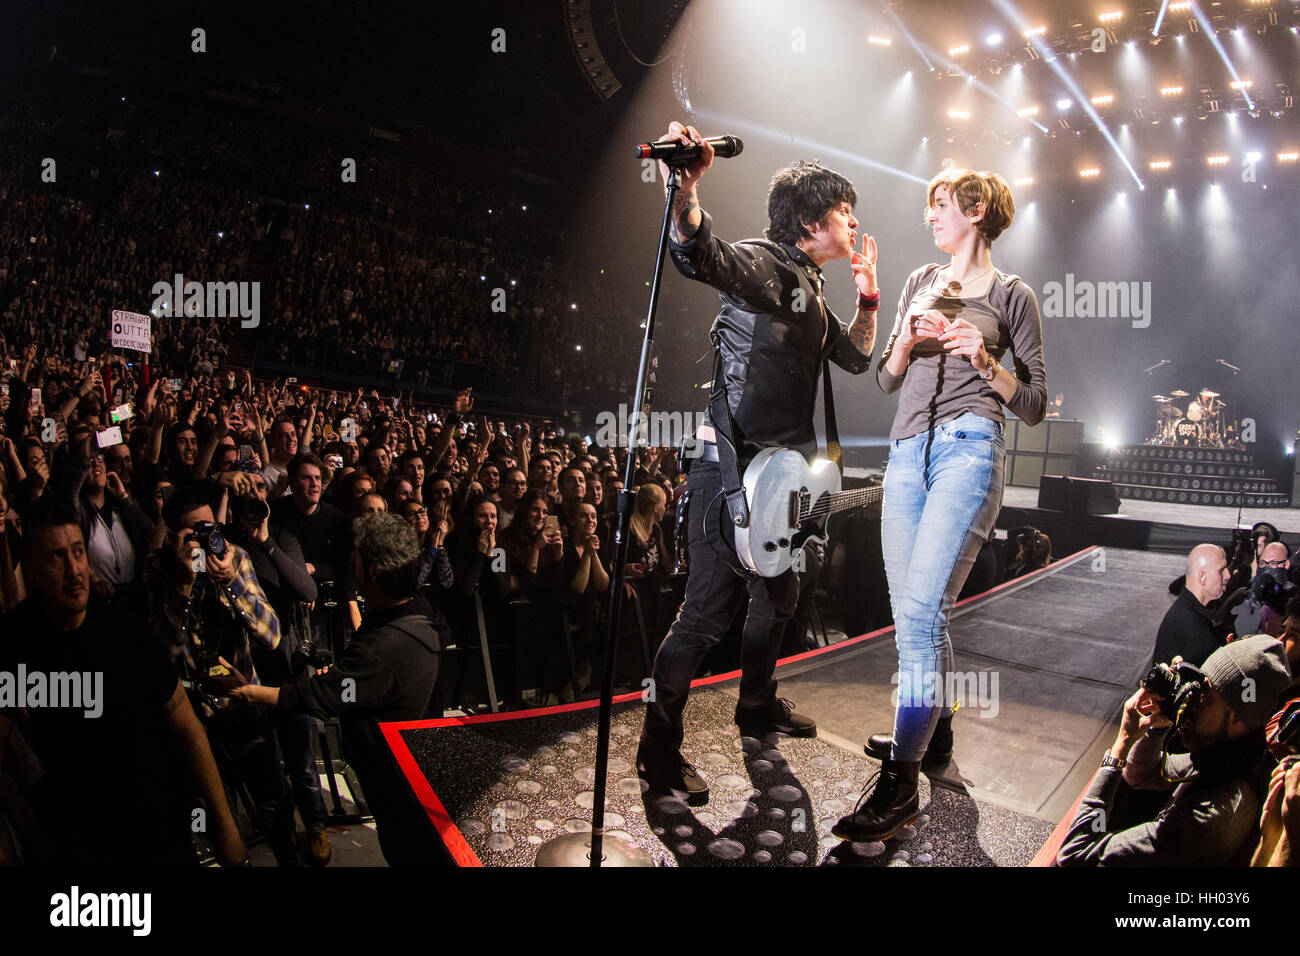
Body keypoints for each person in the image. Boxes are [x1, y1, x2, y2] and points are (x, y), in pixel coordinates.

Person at [637, 122, 878, 801]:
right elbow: (700, 253)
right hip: (730, 480)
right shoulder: (766, 266)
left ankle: (757, 703)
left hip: (778, 477)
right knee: (704, 617)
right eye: (843, 213)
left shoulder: (804, 283)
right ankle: (657, 752)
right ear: (807, 220)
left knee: (778, 598)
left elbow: (856, 357)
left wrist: (868, 296)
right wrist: (683, 190)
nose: (855, 222)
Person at [836, 168, 1046, 842]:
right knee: (912, 617)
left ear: (976, 210)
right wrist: (905, 336)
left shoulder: (1014, 296)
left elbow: (1036, 403)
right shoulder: (919, 280)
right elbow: (887, 376)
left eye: (941, 205)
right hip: (905, 456)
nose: (930, 217)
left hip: (969, 449)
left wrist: (986, 362)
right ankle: (935, 733)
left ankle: (899, 788)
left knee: (924, 615)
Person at [0, 495, 246, 866]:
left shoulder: (124, 632)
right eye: (57, 557)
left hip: (155, 823)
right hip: (76, 840)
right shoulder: (16, 642)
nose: (74, 570)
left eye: (79, 552)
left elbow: (187, 730)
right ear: (31, 569)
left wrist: (224, 826)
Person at [233, 513, 451, 866]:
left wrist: (247, 691)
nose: (351, 561)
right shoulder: (419, 611)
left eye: (358, 556)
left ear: (375, 572)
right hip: (414, 765)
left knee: (407, 852)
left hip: (396, 780)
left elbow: (313, 697)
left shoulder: (385, 648)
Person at [1056, 635, 1291, 866]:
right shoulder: (1231, 757)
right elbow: (1142, 774)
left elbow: (1074, 856)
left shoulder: (1211, 818)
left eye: (1205, 695)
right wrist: (1158, 726)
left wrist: (1120, 747)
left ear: (1239, 717)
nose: (1191, 701)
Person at [1152, 543, 1233, 668]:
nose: (1228, 575)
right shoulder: (1190, 625)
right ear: (1202, 577)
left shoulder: (1189, 609)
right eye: (1221, 570)